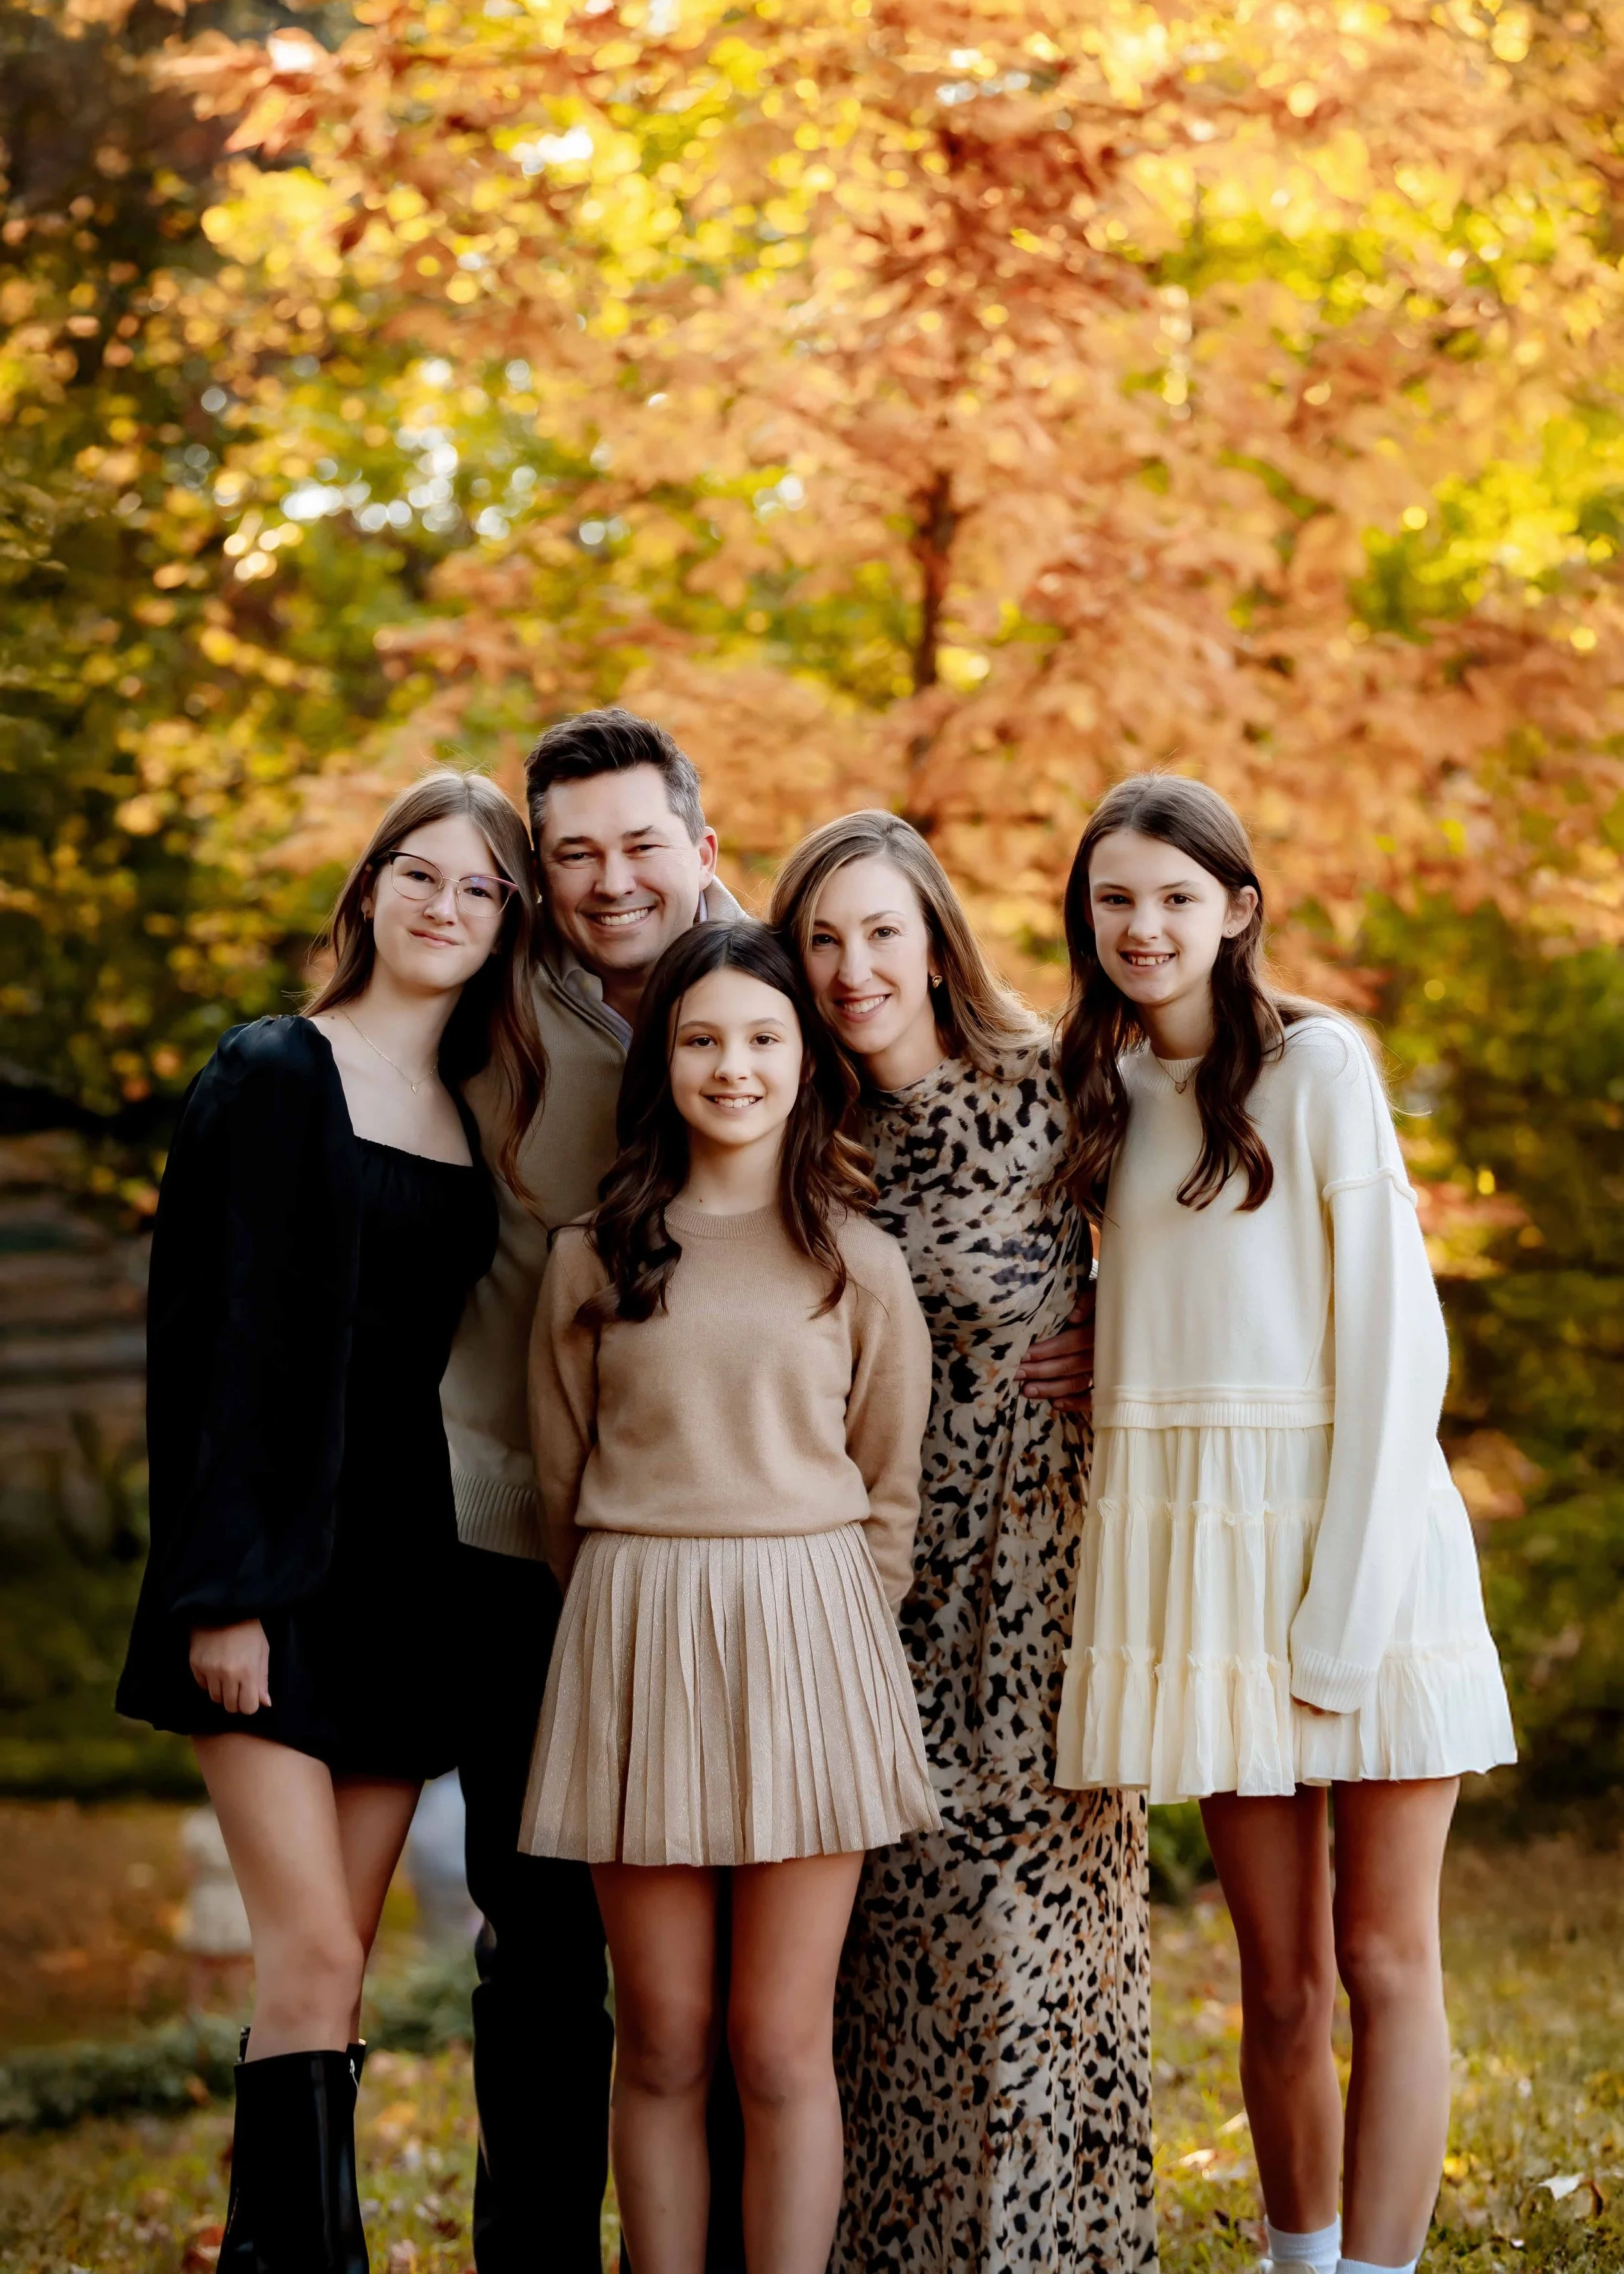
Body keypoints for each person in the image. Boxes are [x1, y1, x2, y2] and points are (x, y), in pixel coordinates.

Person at [1050, 774, 1517, 2274]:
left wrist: (1344, 1609)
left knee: (1383, 1956)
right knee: (1275, 1980)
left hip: (1359, 1549)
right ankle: (1296, 2258)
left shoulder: (1319, 1068)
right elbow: (1194, 1313)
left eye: (1176, 897)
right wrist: (1104, 1344)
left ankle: (1376, 2272)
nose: (1144, 925)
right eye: (1115, 899)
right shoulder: (1101, 1095)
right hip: (1210, 1584)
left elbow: (1395, 1350)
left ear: (1235, 910)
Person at [118, 769, 545, 2272]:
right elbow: (211, 1350)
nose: (444, 905)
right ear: (367, 891)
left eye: (480, 888)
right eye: (418, 874)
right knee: (302, 1953)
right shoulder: (273, 1069)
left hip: (401, 1586)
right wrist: (218, 1594)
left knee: (339, 1972)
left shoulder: (481, 1107)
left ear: (507, 924)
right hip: (267, 1584)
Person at [521, 918, 941, 2274]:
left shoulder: (856, 1262)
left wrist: (828, 1633)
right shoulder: (595, 1253)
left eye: (762, 1038)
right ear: (666, 1062)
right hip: (634, 1639)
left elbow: (889, 1489)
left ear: (805, 1062)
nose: (733, 1065)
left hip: (812, 1644)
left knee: (773, 2042)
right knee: (662, 2037)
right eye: (701, 1038)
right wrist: (629, 1613)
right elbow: (557, 1476)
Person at [770, 813, 1156, 2274]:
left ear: (936, 940)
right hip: (863, 1600)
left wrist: (1134, 1329)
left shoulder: (1060, 1090)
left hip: (1043, 1599)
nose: (853, 965)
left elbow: (1196, 1245)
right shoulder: (805, 1136)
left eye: (880, 931)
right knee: (884, 1976)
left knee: (1041, 1969)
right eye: (822, 938)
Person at [438, 706, 750, 2272]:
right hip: (520, 1543)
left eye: (639, 844)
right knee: (540, 1947)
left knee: (750, 1974)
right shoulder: (488, 1004)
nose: (610, 879)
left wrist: (1080, 1303)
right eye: (572, 853)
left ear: (701, 842)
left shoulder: (781, 994)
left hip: (747, 1553)